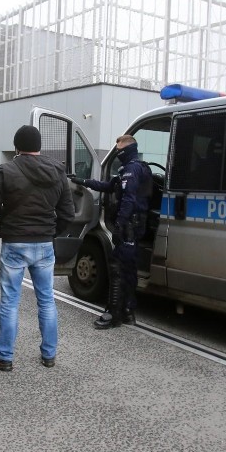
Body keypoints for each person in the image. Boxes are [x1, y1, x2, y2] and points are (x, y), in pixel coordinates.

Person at [0, 125, 74, 371]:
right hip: (44, 244)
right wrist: (51, 232)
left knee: (10, 301)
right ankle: (49, 355)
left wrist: (8, 219)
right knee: (46, 300)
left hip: (14, 243)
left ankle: (4, 356)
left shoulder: (7, 170)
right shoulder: (58, 170)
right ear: (39, 146)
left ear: (17, 146)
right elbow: (68, 213)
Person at [68, 134, 153, 329]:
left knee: (118, 268)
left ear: (128, 147)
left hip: (129, 226)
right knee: (128, 269)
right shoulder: (132, 168)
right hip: (133, 225)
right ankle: (127, 311)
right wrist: (83, 181)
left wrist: (120, 225)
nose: (117, 151)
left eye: (119, 147)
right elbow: (109, 187)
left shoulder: (132, 169)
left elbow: (129, 200)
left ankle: (113, 314)